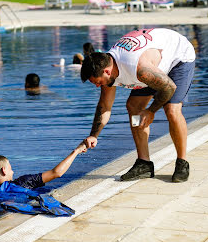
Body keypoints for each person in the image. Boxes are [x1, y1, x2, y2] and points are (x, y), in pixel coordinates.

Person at [75, 28, 195, 183]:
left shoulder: (138, 68)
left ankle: (182, 162)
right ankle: (144, 163)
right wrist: (94, 135)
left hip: (178, 58)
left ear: (106, 71)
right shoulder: (106, 70)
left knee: (171, 110)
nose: (98, 86)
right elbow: (105, 107)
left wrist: (151, 111)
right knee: (134, 107)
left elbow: (169, 87)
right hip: (152, 66)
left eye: (98, 82)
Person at [0, 143, 86, 189]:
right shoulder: (23, 182)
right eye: (11, 168)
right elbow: (57, 173)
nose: (13, 171)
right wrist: (76, 151)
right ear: (4, 171)